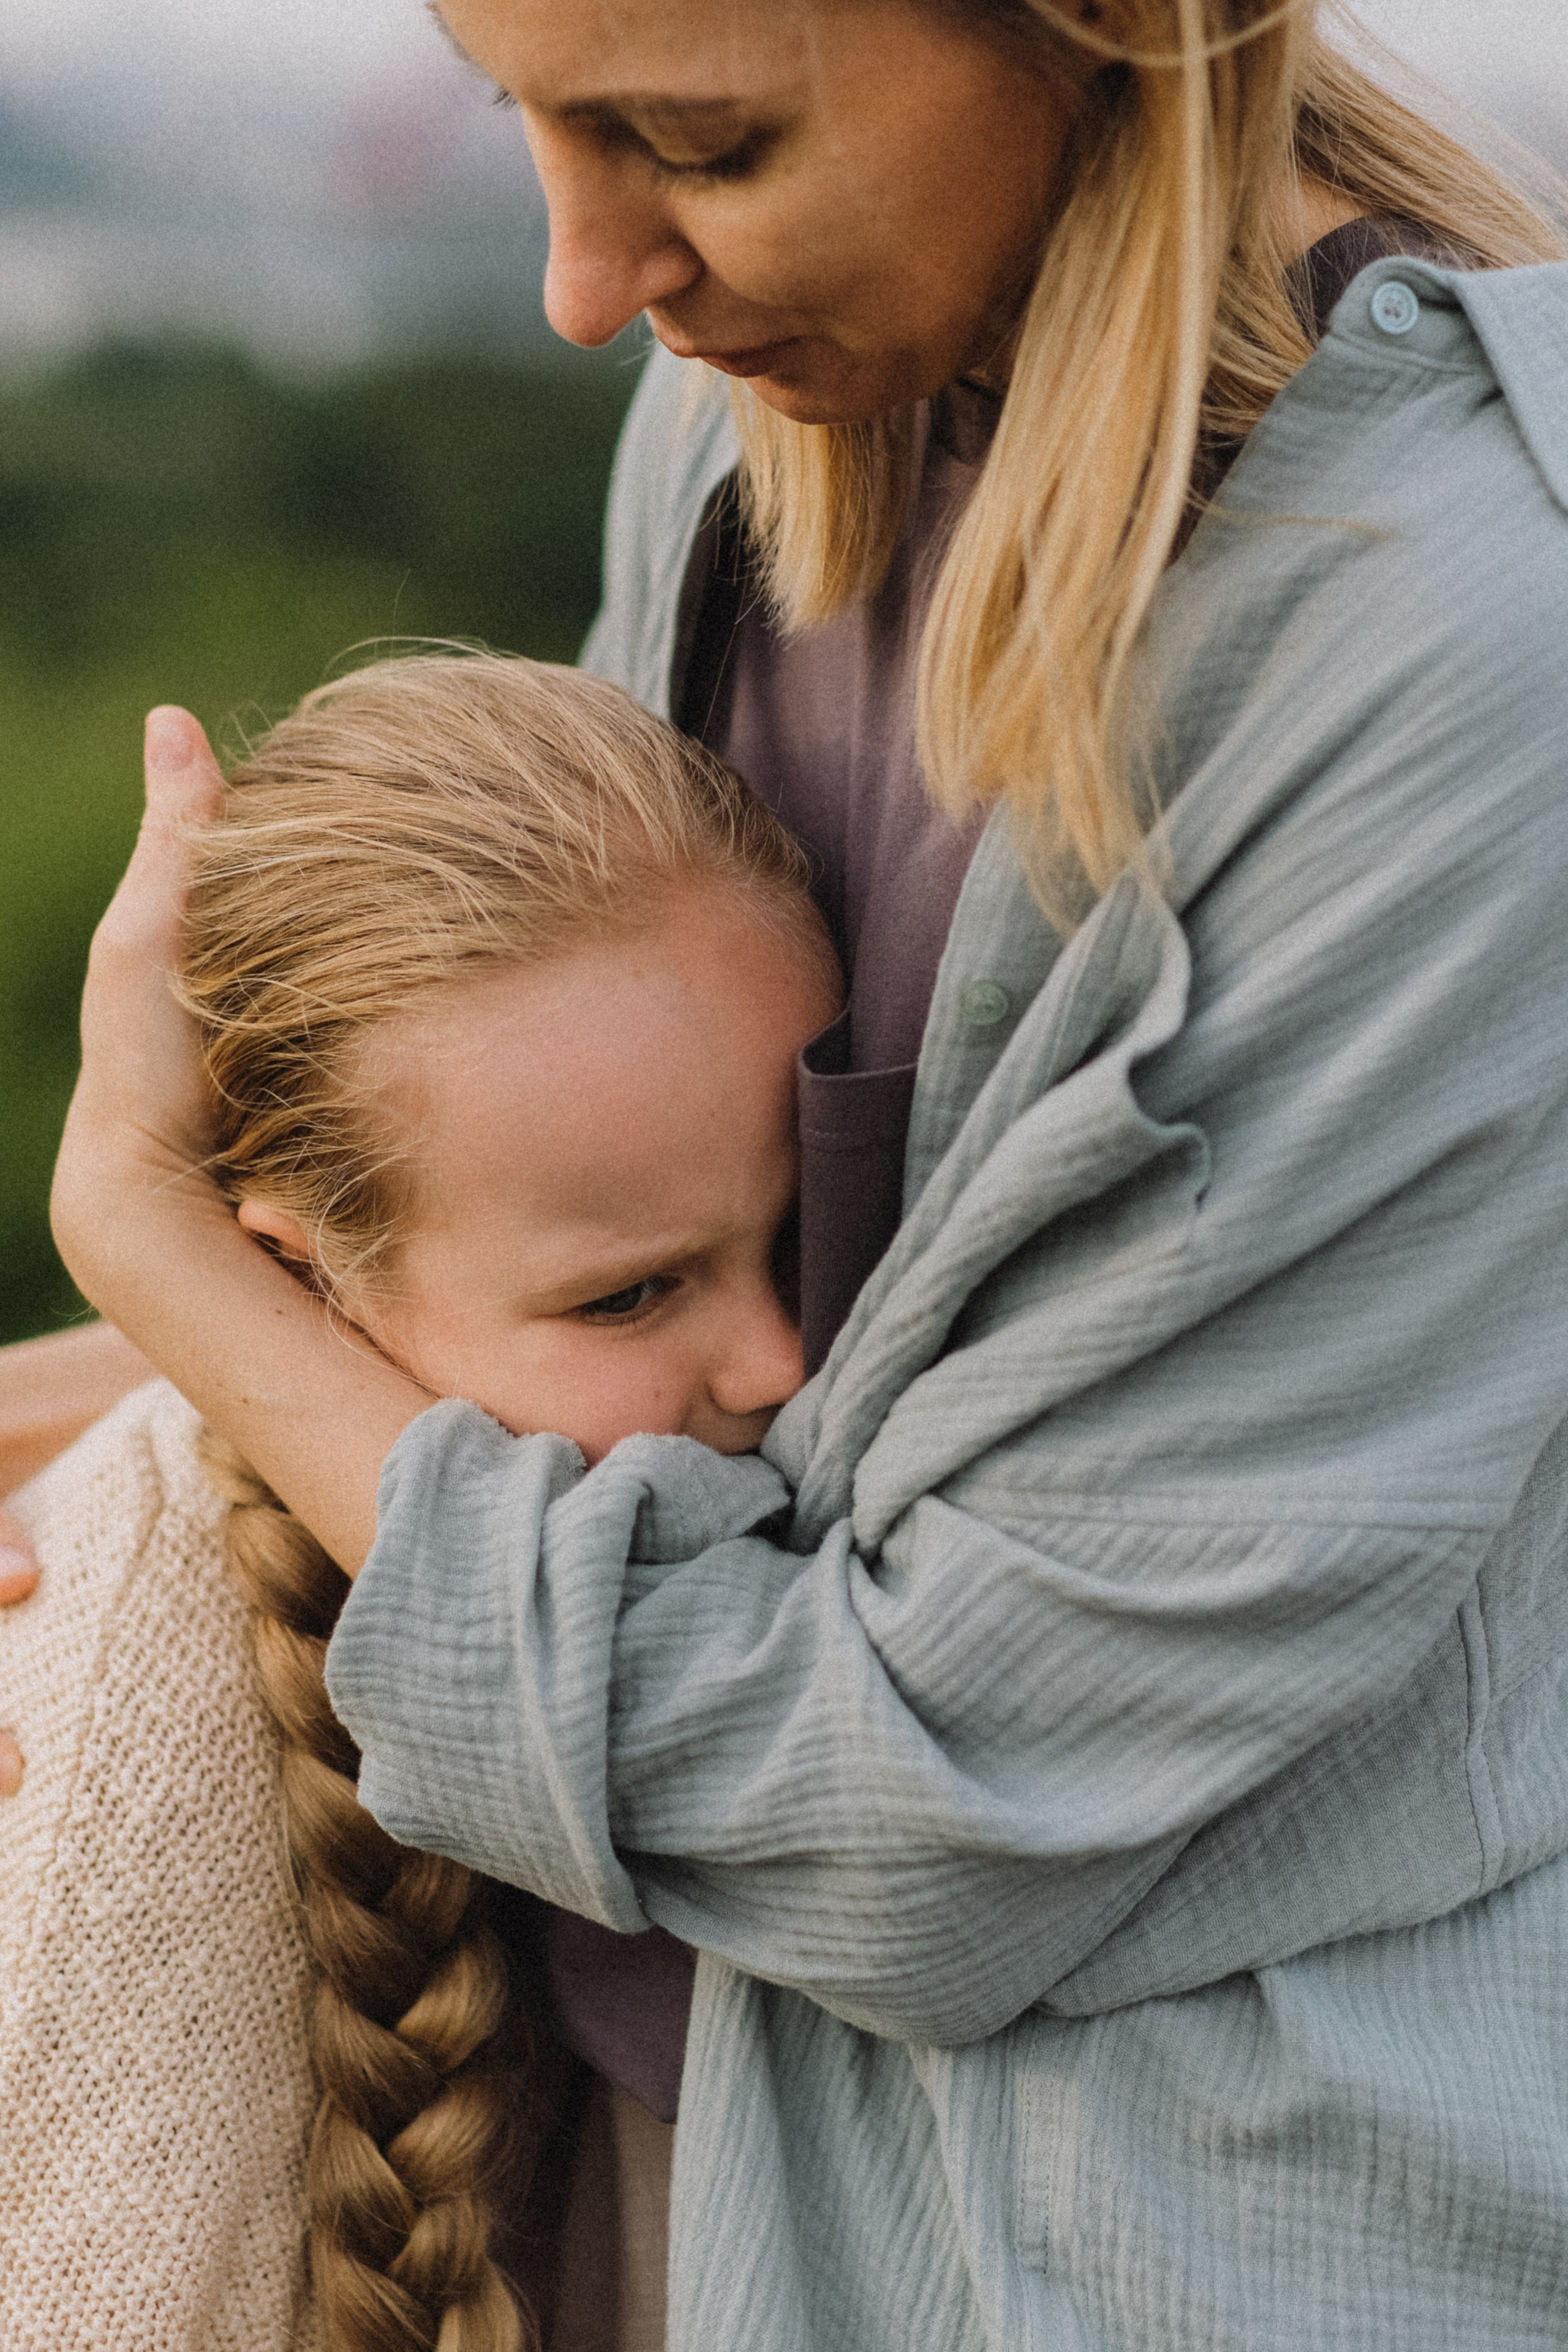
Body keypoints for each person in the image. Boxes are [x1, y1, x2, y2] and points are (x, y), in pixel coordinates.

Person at [8, 0, 1568, 2341]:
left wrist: (160, 1258)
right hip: (667, 2163)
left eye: (695, 137)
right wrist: (115, 1438)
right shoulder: (756, 421)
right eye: (529, 119)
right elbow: (563, 1229)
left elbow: (934, 1809)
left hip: (1154, 2256)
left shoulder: (1460, 643)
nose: (583, 278)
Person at [0, 652, 837, 2350]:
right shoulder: (119, 1746)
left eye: (815, 1226)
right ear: (298, 1286)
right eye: (629, 1295)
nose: (782, 1361)